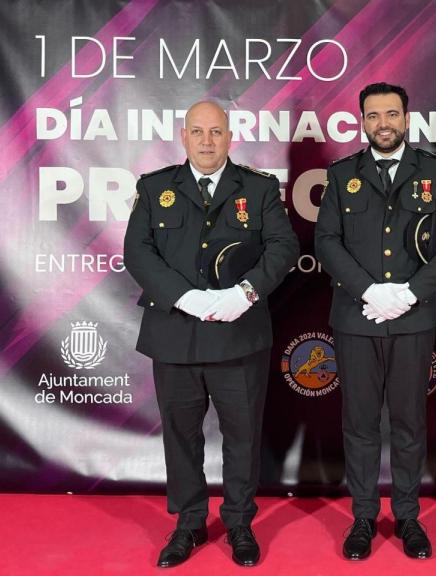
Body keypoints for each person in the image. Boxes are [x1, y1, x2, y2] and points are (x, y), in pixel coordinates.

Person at [124, 100, 299, 568]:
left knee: (242, 434)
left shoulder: (258, 189)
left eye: (216, 132)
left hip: (238, 334)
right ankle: (189, 523)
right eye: (198, 132)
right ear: (184, 137)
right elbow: (138, 253)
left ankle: (240, 523)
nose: (206, 141)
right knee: (181, 436)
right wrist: (184, 297)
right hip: (175, 332)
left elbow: (284, 246)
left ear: (230, 136)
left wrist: (245, 293)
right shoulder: (156, 187)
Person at [315, 82, 436, 560]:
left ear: (407, 119)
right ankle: (363, 516)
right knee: (359, 422)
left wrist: (408, 292)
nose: (383, 123)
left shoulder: (435, 173)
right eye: (373, 115)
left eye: (392, 114)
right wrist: (369, 290)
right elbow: (327, 241)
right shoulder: (344, 175)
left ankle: (407, 515)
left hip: (413, 316)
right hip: (356, 316)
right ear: (363, 121)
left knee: (408, 421)